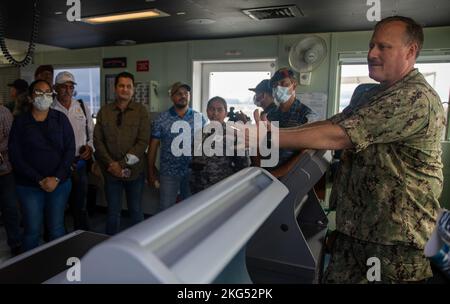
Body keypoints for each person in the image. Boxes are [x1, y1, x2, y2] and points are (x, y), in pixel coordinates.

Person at [249, 16, 445, 283]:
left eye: (383, 47)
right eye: (371, 45)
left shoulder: (414, 97)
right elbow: (334, 123)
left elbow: (339, 135)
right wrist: (270, 133)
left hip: (393, 241)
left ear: (410, 52)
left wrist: (268, 138)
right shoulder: (372, 94)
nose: (371, 54)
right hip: (355, 231)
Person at [8, 79, 75, 251]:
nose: (44, 96)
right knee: (32, 230)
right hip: (29, 185)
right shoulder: (21, 122)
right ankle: (29, 273)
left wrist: (57, 178)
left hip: (59, 184)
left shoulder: (60, 119)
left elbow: (69, 151)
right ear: (30, 97)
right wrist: (39, 180)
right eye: (39, 92)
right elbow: (15, 156)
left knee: (56, 227)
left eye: (47, 93)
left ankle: (60, 271)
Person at [94, 72, 149, 235]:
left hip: (135, 172)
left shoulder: (141, 111)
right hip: (111, 172)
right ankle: (109, 247)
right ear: (115, 88)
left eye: (128, 86)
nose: (125, 89)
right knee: (113, 212)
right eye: (121, 86)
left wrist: (122, 164)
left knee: (136, 210)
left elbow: (142, 141)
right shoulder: (104, 111)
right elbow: (98, 141)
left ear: (133, 89)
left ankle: (140, 247)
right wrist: (112, 164)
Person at [148, 82, 206, 212]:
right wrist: (150, 172)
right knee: (165, 211)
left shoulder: (199, 118)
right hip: (169, 173)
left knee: (190, 210)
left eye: (186, 93)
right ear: (172, 97)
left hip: (192, 172)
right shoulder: (162, 118)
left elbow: (205, 146)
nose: (183, 96)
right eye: (179, 93)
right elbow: (153, 148)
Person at [52, 71, 94, 231]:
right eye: (64, 87)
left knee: (80, 207)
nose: (68, 90)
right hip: (58, 166)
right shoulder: (50, 108)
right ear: (56, 88)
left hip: (79, 164)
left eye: (70, 87)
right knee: (57, 208)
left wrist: (90, 148)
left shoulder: (82, 106)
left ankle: (82, 240)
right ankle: (56, 242)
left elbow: (91, 133)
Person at [190, 96, 250, 194]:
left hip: (222, 187)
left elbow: (243, 166)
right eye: (212, 109)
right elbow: (194, 157)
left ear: (225, 113)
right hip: (198, 186)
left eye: (219, 110)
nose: (215, 113)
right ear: (207, 111)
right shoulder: (200, 133)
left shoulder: (233, 134)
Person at [267, 68, 319, 168]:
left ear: (294, 85)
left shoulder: (307, 116)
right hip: (269, 170)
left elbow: (307, 153)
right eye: (275, 85)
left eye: (283, 83)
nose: (278, 88)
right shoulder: (270, 115)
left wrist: (280, 173)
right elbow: (264, 145)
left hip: (292, 174)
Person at [0, 105, 22, 255]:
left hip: (4, 170)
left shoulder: (3, 112)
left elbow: (12, 137)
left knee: (10, 208)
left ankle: (15, 243)